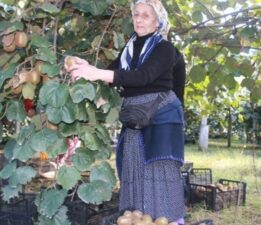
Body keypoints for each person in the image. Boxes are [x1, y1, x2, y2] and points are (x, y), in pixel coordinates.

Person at [67, 0, 186, 224]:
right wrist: (86, 70)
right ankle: (136, 217)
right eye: (136, 14)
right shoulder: (129, 48)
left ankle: (171, 220)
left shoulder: (165, 49)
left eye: (146, 15)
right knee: (132, 166)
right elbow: (112, 73)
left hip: (162, 115)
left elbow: (143, 77)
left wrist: (97, 73)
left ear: (157, 20)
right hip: (135, 115)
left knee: (159, 169)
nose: (139, 19)